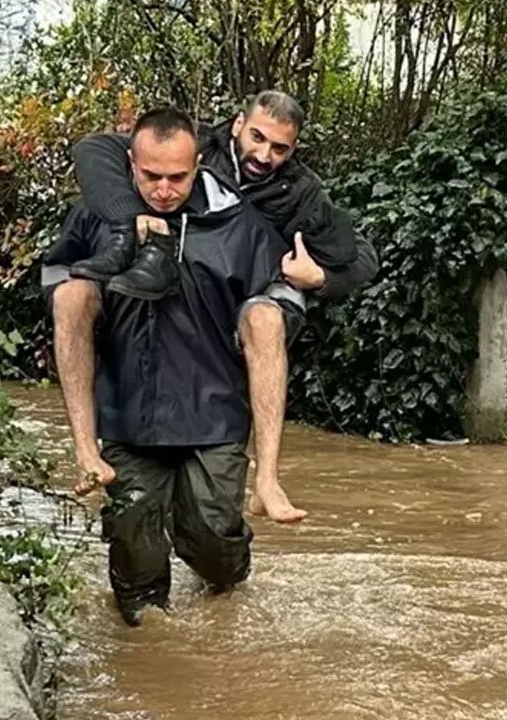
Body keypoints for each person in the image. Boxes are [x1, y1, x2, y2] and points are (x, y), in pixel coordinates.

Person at [56, 90, 378, 523]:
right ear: (239, 124)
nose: (264, 155)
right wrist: (130, 214)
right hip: (196, 281)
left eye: (279, 148)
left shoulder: (303, 191)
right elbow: (96, 149)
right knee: (79, 295)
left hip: (263, 285)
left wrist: (319, 278)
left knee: (264, 320)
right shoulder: (196, 145)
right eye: (258, 138)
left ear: (294, 148)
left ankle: (267, 481)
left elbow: (362, 257)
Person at [41, 107, 288, 626]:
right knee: (136, 564)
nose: (164, 189)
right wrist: (85, 443)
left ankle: (227, 585)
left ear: (197, 164)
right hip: (129, 414)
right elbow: (60, 279)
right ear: (131, 162)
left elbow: (276, 304)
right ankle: (148, 650)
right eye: (151, 175)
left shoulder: (236, 220)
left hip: (213, 412)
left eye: (178, 176)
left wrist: (300, 290)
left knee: (214, 542)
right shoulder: (98, 216)